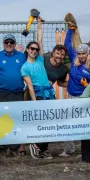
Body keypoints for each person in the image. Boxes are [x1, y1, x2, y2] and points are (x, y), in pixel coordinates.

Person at [0, 34, 26, 156]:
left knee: (17, 120)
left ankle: (14, 147)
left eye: (11, 43)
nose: (9, 44)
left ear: (14, 44)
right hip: (3, 93)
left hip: (18, 93)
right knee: (1, 119)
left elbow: (33, 65)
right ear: (3, 44)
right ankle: (2, 146)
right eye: (7, 42)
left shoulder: (22, 56)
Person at [21, 17, 55, 160]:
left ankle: (43, 149)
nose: (34, 51)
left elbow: (40, 40)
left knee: (49, 121)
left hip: (49, 91)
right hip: (38, 93)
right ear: (27, 50)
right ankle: (36, 145)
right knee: (40, 121)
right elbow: (29, 86)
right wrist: (34, 101)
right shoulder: (24, 67)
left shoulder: (40, 59)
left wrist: (39, 25)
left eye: (36, 49)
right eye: (32, 49)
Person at [62, 26, 90, 156]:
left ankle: (85, 149)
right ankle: (69, 149)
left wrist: (87, 85)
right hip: (70, 96)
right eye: (80, 53)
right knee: (67, 122)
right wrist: (70, 29)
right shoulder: (74, 58)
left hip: (83, 97)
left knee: (82, 123)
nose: (81, 56)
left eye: (84, 54)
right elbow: (67, 44)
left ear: (88, 54)